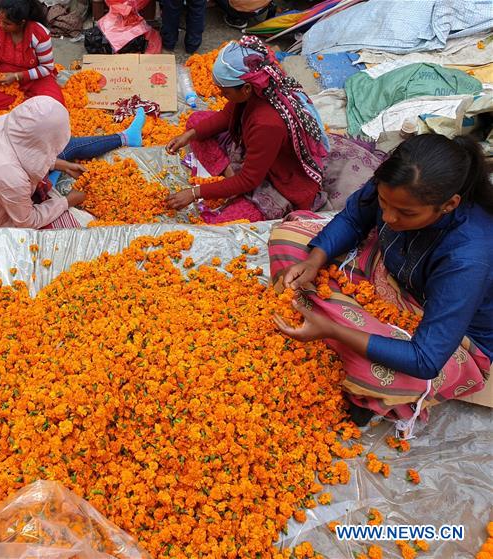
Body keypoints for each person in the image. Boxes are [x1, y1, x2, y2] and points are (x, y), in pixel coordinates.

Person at [271, 134, 492, 429]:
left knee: (377, 372)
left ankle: (333, 335)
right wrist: (315, 260)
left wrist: (334, 330)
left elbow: (425, 359)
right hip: (387, 271)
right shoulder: (395, 185)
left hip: (449, 332)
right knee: (288, 240)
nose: (387, 217)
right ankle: (338, 329)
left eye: (405, 213)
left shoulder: (468, 256)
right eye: (384, 202)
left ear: (449, 204)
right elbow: (353, 219)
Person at [165, 36, 329, 222]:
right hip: (254, 151)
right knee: (196, 122)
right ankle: (230, 174)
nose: (222, 96)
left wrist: (195, 192)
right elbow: (227, 116)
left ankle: (234, 183)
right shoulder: (257, 90)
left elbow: (250, 180)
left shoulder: (267, 124)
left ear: (246, 88)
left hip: (277, 179)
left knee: (227, 221)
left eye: (225, 92)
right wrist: (189, 135)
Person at [0, 97, 146, 229]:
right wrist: (68, 201)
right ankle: (126, 137)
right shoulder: (9, 176)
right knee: (80, 226)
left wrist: (62, 165)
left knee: (66, 151)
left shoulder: (2, 123)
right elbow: (26, 222)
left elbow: (25, 152)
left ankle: (125, 137)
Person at [0, 0, 64, 113]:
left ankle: (28, 105)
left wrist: (17, 76)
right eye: (0, 20)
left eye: (7, 23)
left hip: (34, 76)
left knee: (55, 105)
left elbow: (46, 68)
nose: (1, 25)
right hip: (2, 73)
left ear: (22, 23)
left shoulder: (39, 34)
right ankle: (29, 105)